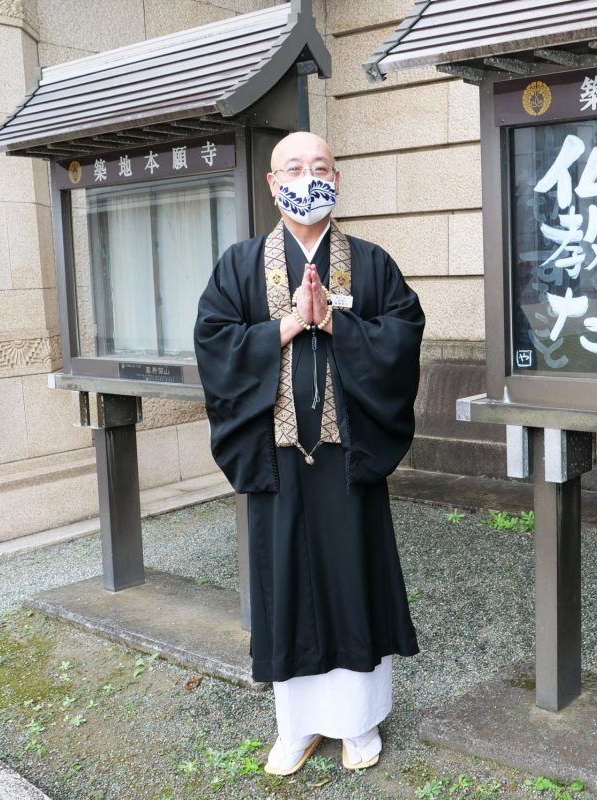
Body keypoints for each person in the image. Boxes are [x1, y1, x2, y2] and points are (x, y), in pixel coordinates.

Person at [193, 131, 424, 776]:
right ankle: (295, 727)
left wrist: (336, 324)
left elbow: (403, 335)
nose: (307, 176)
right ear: (272, 183)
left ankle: (358, 723)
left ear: (338, 179)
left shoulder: (373, 264)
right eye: (293, 167)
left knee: (354, 580)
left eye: (320, 166)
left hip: (349, 459)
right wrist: (289, 324)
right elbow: (214, 343)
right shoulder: (239, 265)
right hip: (278, 457)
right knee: (286, 584)